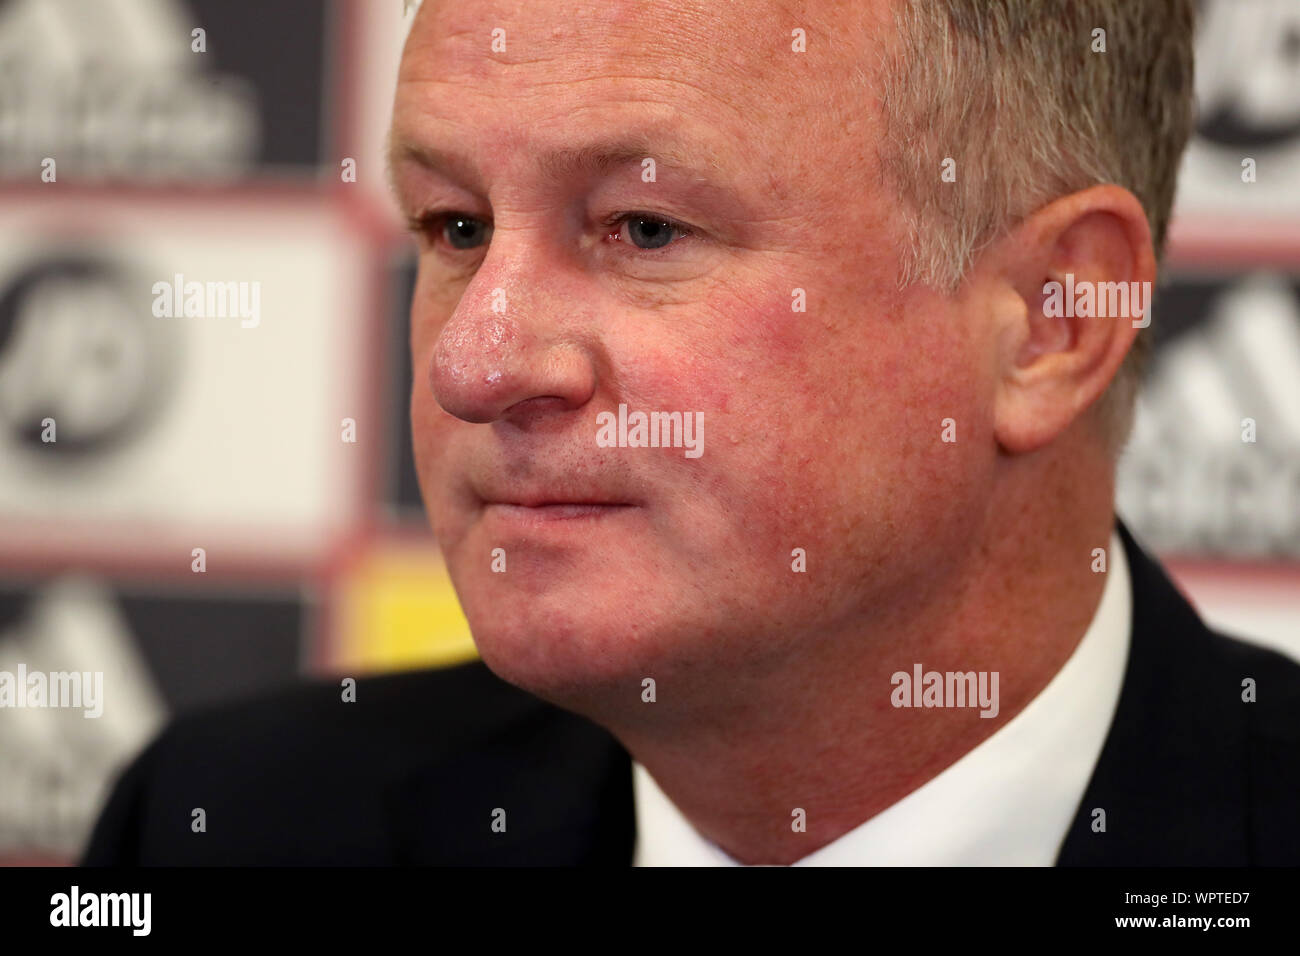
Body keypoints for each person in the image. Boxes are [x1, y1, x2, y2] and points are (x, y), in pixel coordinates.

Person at [83, 0, 1300, 866]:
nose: (475, 364)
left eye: (643, 227)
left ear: (1050, 320)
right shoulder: (231, 823)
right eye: (455, 226)